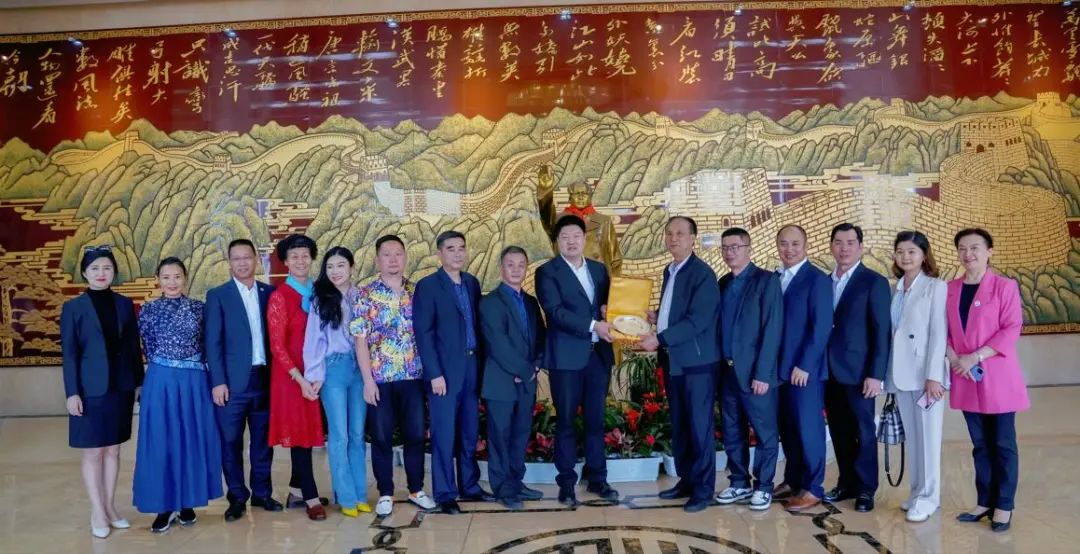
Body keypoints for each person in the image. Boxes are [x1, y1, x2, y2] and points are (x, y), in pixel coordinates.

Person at [637, 216, 721, 513]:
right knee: (682, 426)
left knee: (699, 427)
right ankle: (687, 481)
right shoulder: (670, 270)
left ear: (693, 238)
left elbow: (698, 320)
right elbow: (677, 310)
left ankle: (704, 490)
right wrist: (656, 316)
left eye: (680, 233)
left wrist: (659, 338)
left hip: (697, 364)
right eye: (669, 233)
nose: (674, 238)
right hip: (675, 362)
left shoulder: (702, 274)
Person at [947, 228, 1029, 533]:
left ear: (989, 251)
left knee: (1003, 443)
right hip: (964, 375)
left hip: (997, 376)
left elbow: (1012, 327)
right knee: (980, 444)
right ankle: (984, 501)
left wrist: (975, 356)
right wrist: (953, 357)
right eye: (962, 248)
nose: (968, 254)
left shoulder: (1004, 286)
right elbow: (943, 330)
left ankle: (1004, 505)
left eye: (975, 248)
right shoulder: (950, 289)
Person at [133, 257, 223, 532]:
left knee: (191, 439)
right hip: (160, 382)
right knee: (162, 441)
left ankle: (187, 502)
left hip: (194, 381)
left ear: (185, 278)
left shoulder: (199, 309)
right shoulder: (148, 311)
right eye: (166, 277)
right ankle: (164, 505)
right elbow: (148, 346)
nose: (172, 282)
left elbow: (208, 346)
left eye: (177, 277)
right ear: (158, 280)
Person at [534, 214, 619, 507]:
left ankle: (598, 479)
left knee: (596, 420)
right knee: (567, 421)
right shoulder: (547, 272)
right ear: (557, 242)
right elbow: (555, 311)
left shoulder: (598, 269)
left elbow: (609, 305)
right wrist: (594, 325)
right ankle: (567, 483)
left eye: (576, 236)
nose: (571, 241)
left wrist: (611, 313)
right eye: (565, 237)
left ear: (585, 239)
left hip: (598, 357)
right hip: (566, 359)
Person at [351, 235, 437, 517]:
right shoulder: (366, 294)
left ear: (405, 257)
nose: (393, 259)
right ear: (377, 260)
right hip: (381, 379)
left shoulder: (417, 291)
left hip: (413, 377)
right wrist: (367, 381)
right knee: (381, 437)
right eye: (386, 254)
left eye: (398, 253)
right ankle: (385, 493)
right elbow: (360, 341)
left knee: (415, 435)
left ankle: (416, 489)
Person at [62, 245, 143, 539]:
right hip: (90, 389)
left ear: (114, 272)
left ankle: (110, 507)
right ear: (85, 273)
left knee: (113, 449)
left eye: (107, 268)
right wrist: (72, 392)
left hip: (121, 387)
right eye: (95, 268)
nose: (101, 273)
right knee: (94, 451)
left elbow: (133, 347)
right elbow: (69, 353)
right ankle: (97, 511)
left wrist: (139, 382)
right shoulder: (73, 308)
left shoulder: (124, 304)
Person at [414, 231, 495, 515]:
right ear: (439, 253)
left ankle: (469, 486)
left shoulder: (471, 282)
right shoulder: (428, 286)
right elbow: (423, 333)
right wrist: (434, 373)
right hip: (444, 373)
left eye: (462, 248)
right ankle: (445, 492)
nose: (458, 254)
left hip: (472, 366)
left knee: (469, 431)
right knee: (444, 434)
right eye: (451, 249)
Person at [205, 239, 282, 521]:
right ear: (229, 263)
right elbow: (212, 342)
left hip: (264, 379)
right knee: (230, 442)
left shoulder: (269, 293)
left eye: (246, 257)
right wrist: (218, 381)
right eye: (236, 258)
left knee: (263, 442)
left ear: (255, 260)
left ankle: (262, 493)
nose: (242, 263)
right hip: (232, 383)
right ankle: (237, 497)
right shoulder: (218, 295)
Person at [823, 223, 891, 513]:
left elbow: (881, 332)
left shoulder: (873, 282)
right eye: (838, 242)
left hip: (861, 373)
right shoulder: (824, 281)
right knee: (839, 430)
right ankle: (847, 483)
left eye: (850, 242)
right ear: (831, 246)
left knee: (863, 432)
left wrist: (876, 374)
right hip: (828, 372)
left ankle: (865, 489)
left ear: (860, 247)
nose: (844, 248)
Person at [714, 227, 783, 512]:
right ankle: (739, 481)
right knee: (732, 430)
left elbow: (772, 329)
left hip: (755, 373)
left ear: (748, 248)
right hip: (727, 371)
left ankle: (764, 486)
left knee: (765, 432)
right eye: (725, 248)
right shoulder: (722, 282)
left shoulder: (766, 281)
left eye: (735, 247)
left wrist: (763, 374)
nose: (730, 252)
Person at [478, 246, 547, 510]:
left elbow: (540, 336)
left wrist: (536, 365)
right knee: (500, 436)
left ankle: (517, 483)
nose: (516, 269)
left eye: (521, 264)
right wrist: (524, 371)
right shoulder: (490, 302)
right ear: (501, 268)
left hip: (526, 382)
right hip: (500, 382)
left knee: (520, 435)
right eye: (510, 264)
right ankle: (503, 489)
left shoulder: (530, 302)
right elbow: (498, 344)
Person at [303, 246, 370, 517]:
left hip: (360, 369)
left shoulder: (361, 297)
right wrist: (315, 375)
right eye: (330, 267)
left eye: (341, 265)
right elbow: (313, 341)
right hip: (334, 369)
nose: (335, 271)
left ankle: (361, 494)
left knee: (357, 434)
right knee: (339, 435)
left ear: (351, 268)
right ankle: (346, 497)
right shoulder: (320, 300)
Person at [887, 231, 948, 523]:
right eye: (900, 251)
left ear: (924, 255)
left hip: (925, 376)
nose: (905, 256)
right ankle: (916, 492)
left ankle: (929, 497)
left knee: (929, 438)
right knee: (913, 439)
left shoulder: (935, 287)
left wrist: (934, 376)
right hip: (901, 374)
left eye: (912, 251)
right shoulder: (896, 289)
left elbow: (939, 333)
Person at [267, 234, 327, 521]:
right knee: (301, 436)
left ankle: (295, 492)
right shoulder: (280, 297)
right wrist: (300, 379)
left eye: (305, 255)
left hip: (317, 375)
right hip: (292, 379)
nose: (301, 261)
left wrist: (318, 375)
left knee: (309, 432)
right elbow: (277, 346)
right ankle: (311, 497)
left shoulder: (320, 293)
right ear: (286, 262)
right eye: (294, 257)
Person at [773, 225, 833, 513]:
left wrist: (805, 365)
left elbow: (821, 328)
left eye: (795, 244)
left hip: (804, 372)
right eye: (784, 244)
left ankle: (813, 488)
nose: (789, 249)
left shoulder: (817, 279)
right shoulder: (776, 279)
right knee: (789, 429)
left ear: (805, 245)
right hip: (780, 370)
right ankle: (793, 479)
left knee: (809, 430)